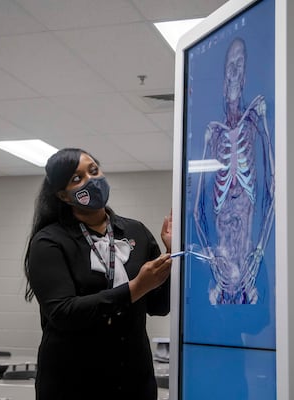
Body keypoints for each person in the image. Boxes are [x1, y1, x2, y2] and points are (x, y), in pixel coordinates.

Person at [23, 148, 172, 400]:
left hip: (133, 379)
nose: (91, 181)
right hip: (73, 382)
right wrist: (136, 287)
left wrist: (170, 252)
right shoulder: (49, 241)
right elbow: (62, 312)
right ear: (63, 195)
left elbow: (159, 306)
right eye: (77, 178)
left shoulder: (135, 231)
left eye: (94, 171)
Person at [194, 37, 274, 305]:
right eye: (230, 67)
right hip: (231, 221)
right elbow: (196, 213)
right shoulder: (217, 132)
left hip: (240, 216)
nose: (233, 73)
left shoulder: (247, 123)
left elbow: (272, 192)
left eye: (238, 66)